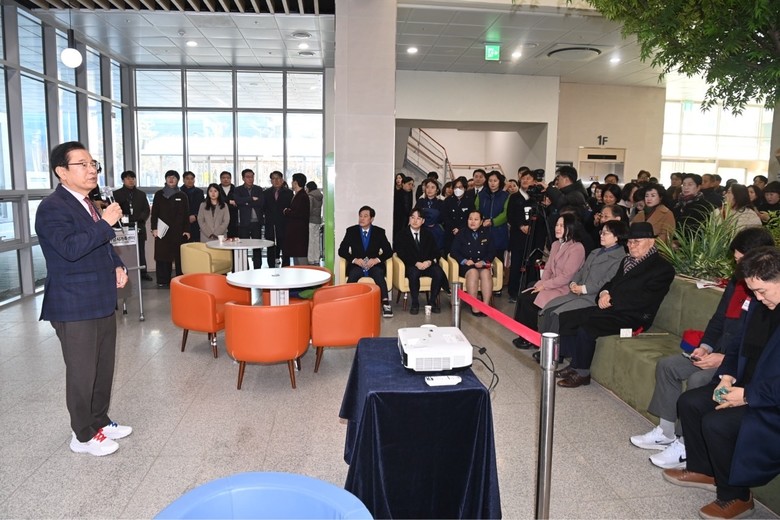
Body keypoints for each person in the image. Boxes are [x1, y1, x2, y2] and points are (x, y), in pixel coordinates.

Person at [630, 227, 774, 470]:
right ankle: (666, 432)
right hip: (718, 350)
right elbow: (718, 319)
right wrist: (705, 347)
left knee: (699, 380)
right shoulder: (737, 283)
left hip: (735, 361)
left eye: (741, 260)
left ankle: (686, 443)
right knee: (668, 366)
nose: (738, 266)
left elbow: (752, 345)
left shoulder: (766, 296)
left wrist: (723, 359)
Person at [663, 246, 780, 519]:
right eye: (754, 292)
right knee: (690, 402)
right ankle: (705, 470)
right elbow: (739, 344)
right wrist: (727, 376)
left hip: (770, 400)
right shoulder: (761, 306)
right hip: (747, 386)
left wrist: (747, 396)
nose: (757, 297)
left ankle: (738, 496)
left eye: (762, 291)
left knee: (717, 423)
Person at [36, 141, 131, 456]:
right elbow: (70, 248)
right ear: (61, 172)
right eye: (83, 164)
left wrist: (117, 265)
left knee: (103, 367)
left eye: (93, 164)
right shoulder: (52, 207)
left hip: (100, 298)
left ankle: (99, 421)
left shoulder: (86, 203)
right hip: (74, 303)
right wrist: (105, 223)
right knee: (82, 372)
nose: (92, 170)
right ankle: (82, 435)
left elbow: (101, 246)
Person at [555, 222, 675, 388]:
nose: (631, 245)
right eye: (629, 242)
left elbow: (645, 299)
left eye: (637, 242)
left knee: (588, 327)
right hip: (613, 308)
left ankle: (582, 373)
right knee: (569, 317)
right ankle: (574, 364)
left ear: (651, 242)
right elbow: (612, 283)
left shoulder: (662, 268)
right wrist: (604, 293)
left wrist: (612, 300)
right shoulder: (627, 260)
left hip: (634, 316)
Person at [538, 219, 628, 334]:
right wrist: (573, 283)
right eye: (601, 232)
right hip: (576, 293)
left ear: (617, 237)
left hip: (592, 297)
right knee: (547, 309)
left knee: (558, 315)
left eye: (605, 233)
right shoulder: (595, 252)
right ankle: (542, 341)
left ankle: (552, 344)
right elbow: (581, 271)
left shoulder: (620, 259)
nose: (601, 235)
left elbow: (607, 282)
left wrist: (584, 289)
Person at [512, 214, 586, 349]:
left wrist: (544, 286)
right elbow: (548, 268)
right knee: (523, 296)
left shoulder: (577, 248)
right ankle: (524, 334)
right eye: (557, 225)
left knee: (529, 300)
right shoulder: (556, 244)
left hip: (565, 288)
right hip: (552, 284)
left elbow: (566, 277)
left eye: (562, 226)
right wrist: (542, 283)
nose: (557, 228)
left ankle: (531, 338)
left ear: (571, 227)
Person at [338, 206, 394, 318]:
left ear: (371, 219)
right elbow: (342, 251)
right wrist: (354, 260)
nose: (362, 219)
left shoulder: (379, 232)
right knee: (353, 274)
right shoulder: (351, 231)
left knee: (379, 273)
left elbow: (389, 251)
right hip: (357, 265)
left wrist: (376, 260)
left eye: (365, 216)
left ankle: (385, 303)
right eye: (360, 216)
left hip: (373, 265)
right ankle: (347, 302)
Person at [394, 208, 447, 314]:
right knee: (414, 273)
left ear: (423, 221)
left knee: (438, 272)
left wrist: (429, 262)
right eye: (412, 217)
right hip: (411, 264)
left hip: (426, 264)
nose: (415, 221)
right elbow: (401, 253)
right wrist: (416, 263)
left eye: (418, 218)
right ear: (409, 219)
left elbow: (436, 251)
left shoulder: (428, 234)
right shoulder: (401, 235)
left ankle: (432, 301)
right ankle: (415, 302)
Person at [451, 210, 496, 316]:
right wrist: (465, 261)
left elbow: (492, 252)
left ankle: (485, 306)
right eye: (470, 219)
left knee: (486, 273)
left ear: (481, 222)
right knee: (473, 273)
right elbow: (454, 251)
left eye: (476, 219)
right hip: (467, 266)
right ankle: (474, 306)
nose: (472, 222)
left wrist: (483, 261)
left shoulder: (487, 234)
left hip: (482, 264)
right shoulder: (461, 233)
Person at [151, 170, 190, 286]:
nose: (171, 179)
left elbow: (186, 214)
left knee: (180, 256)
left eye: (174, 177)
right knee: (162, 255)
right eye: (169, 177)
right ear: (165, 179)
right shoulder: (159, 194)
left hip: (178, 230)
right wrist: (154, 228)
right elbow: (154, 213)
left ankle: (180, 280)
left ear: (178, 180)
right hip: (162, 230)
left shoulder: (182, 195)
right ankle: (163, 280)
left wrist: (187, 230)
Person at [113, 170, 153, 281]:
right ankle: (125, 272)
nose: (131, 181)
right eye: (128, 178)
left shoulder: (141, 194)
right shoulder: (116, 194)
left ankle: (143, 273)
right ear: (123, 180)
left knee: (140, 250)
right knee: (125, 251)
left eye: (133, 178)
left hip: (138, 225)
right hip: (123, 227)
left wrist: (139, 218)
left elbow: (146, 210)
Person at [475, 170, 510, 263]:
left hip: (499, 232)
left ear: (499, 182)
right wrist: (481, 221)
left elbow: (506, 213)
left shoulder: (506, 196)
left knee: (498, 261)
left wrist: (493, 222)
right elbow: (476, 211)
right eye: (490, 180)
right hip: (483, 230)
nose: (492, 183)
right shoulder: (481, 195)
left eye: (495, 181)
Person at [234, 168, 265, 269]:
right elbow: (238, 201)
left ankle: (257, 268)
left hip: (256, 223)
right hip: (244, 223)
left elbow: (261, 203)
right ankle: (245, 268)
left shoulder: (258, 189)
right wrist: (251, 199)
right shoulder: (238, 189)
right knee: (243, 247)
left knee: (257, 247)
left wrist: (246, 202)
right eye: (248, 177)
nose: (250, 179)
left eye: (252, 177)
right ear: (243, 178)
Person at [263, 170, 293, 268]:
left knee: (285, 248)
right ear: (271, 181)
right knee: (270, 246)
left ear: (282, 180)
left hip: (284, 224)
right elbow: (263, 208)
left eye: (278, 178)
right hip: (270, 224)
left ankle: (286, 267)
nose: (276, 181)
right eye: (273, 178)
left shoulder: (289, 193)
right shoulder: (266, 193)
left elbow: (291, 208)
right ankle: (271, 267)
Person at [282, 173, 310, 266]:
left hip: (299, 232)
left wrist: (286, 211)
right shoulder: (298, 195)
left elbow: (297, 213)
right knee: (296, 257)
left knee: (301, 258)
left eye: (292, 181)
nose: (291, 183)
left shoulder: (302, 196)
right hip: (296, 232)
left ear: (295, 182)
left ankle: (304, 274)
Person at [673, 173, 712, 237]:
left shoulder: (703, 205)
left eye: (690, 184)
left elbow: (699, 228)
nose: (686, 187)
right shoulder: (678, 203)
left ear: (698, 187)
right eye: (684, 184)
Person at [442, 176, 474, 254]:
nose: (458, 189)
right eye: (456, 187)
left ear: (465, 188)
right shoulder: (448, 200)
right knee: (449, 253)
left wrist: (460, 229)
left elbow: (470, 217)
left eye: (460, 187)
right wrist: (453, 228)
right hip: (450, 232)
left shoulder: (469, 201)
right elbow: (445, 216)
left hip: (464, 232)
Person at [414, 178, 446, 251]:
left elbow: (442, 217)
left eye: (432, 187)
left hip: (436, 230)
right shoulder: (420, 201)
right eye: (427, 187)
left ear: (437, 190)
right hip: (421, 229)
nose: (429, 190)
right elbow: (416, 214)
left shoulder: (441, 203)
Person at [180, 171, 204, 243]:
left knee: (196, 245)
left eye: (192, 179)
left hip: (196, 222)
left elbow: (202, 207)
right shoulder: (179, 192)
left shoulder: (199, 192)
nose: (190, 181)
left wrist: (196, 216)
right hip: (182, 223)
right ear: (183, 180)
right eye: (187, 178)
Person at [306, 181, 323, 265]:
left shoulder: (310, 196)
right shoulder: (319, 196)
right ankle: (316, 258)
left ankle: (310, 259)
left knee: (310, 240)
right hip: (317, 220)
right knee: (316, 240)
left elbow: (308, 209)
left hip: (311, 220)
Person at [218, 171, 239, 238]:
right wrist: (229, 201)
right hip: (219, 217)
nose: (226, 179)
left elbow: (238, 201)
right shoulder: (216, 189)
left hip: (233, 217)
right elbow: (215, 199)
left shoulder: (236, 189)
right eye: (223, 178)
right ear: (220, 179)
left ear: (230, 179)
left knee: (232, 238)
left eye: (228, 178)